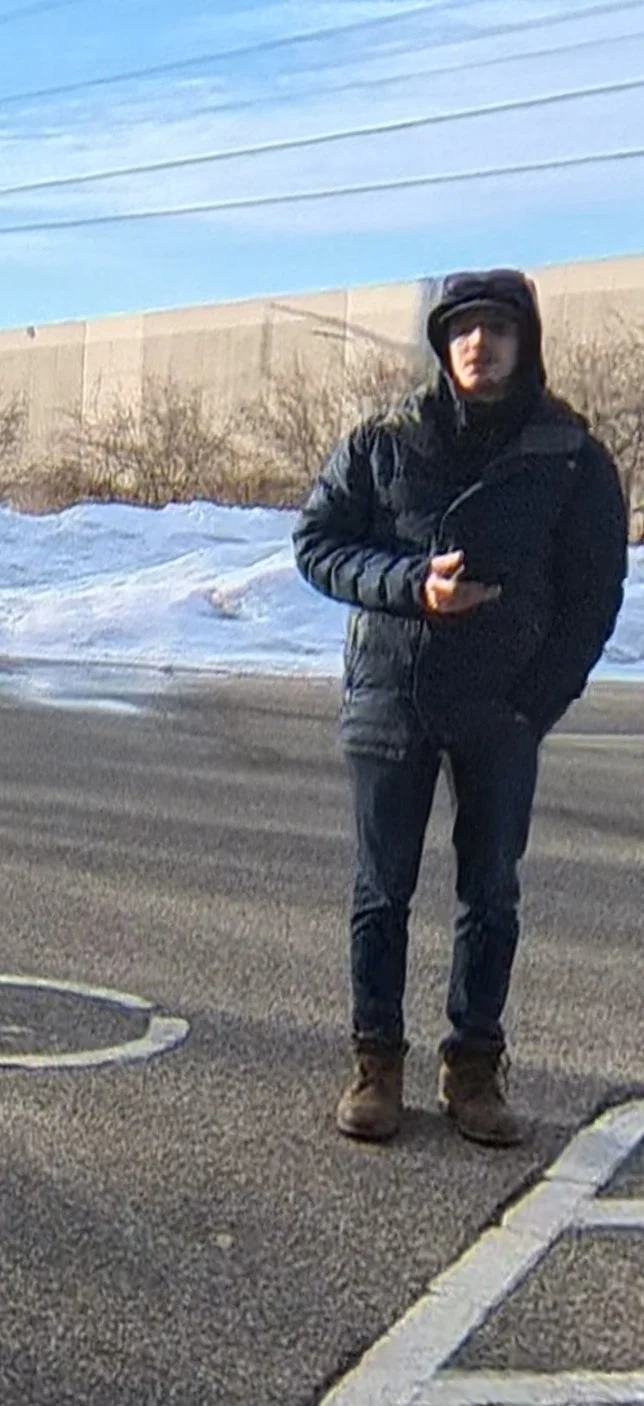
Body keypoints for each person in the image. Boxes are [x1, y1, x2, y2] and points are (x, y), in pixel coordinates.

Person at [294, 267, 628, 1148]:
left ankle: (473, 1070)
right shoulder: (384, 441)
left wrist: (536, 702)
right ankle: (377, 1066)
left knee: (491, 893)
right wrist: (409, 584)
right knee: (381, 892)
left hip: (501, 707)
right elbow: (318, 544)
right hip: (389, 696)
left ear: (527, 341)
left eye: (498, 327)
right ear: (443, 345)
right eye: (463, 328)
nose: (480, 342)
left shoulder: (570, 456)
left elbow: (595, 594)